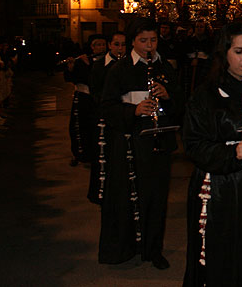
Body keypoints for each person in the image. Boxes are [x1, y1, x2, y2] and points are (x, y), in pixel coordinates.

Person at [182, 23, 242, 287]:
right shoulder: (205, 94)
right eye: (238, 51)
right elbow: (192, 145)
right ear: (224, 53)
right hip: (220, 187)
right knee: (223, 253)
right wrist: (234, 151)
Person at [98, 18, 184, 269]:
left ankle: (153, 249)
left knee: (158, 198)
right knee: (130, 197)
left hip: (159, 140)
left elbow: (181, 102)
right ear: (133, 42)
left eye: (153, 40)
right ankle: (128, 247)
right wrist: (134, 111)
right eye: (143, 41)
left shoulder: (165, 67)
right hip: (130, 143)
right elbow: (106, 107)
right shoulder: (119, 69)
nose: (150, 46)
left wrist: (168, 96)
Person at [87, 31, 127, 205]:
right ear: (110, 45)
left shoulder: (129, 65)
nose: (120, 48)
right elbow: (95, 91)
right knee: (103, 156)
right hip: (104, 115)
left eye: (123, 45)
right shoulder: (99, 65)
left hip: (123, 115)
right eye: (116, 44)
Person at [64, 34, 107, 166]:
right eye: (97, 44)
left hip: (98, 99)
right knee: (80, 126)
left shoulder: (107, 61)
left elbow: (98, 80)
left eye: (102, 44)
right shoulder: (82, 59)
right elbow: (72, 78)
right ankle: (82, 154)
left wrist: (90, 66)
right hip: (83, 98)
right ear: (92, 47)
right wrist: (71, 67)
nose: (100, 47)